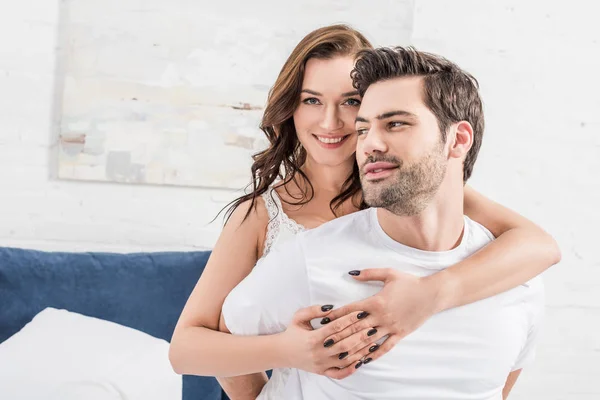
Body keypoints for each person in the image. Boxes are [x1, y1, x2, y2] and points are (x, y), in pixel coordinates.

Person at [169, 25, 560, 400]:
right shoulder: (263, 215)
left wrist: (428, 296)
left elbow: (538, 247)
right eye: (311, 100)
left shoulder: (409, 189)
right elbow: (192, 345)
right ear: (292, 108)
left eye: (351, 102)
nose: (331, 122)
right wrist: (288, 354)